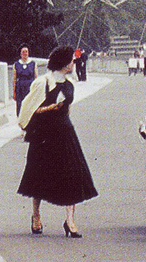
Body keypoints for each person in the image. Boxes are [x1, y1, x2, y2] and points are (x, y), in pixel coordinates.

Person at [17, 46, 98, 237]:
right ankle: (36, 215)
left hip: (65, 132)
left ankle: (70, 220)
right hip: (45, 134)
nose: (74, 63)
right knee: (39, 174)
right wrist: (50, 108)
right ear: (64, 62)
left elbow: (67, 109)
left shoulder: (69, 84)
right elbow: (26, 112)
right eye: (71, 60)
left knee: (72, 174)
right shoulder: (42, 82)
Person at [12, 45, 36, 115]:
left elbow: (36, 78)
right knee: (20, 105)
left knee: (30, 104)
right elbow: (14, 79)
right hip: (20, 87)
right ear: (20, 53)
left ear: (28, 53)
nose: (25, 53)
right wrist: (14, 91)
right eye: (23, 52)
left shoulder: (33, 63)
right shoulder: (16, 64)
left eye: (26, 52)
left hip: (30, 87)